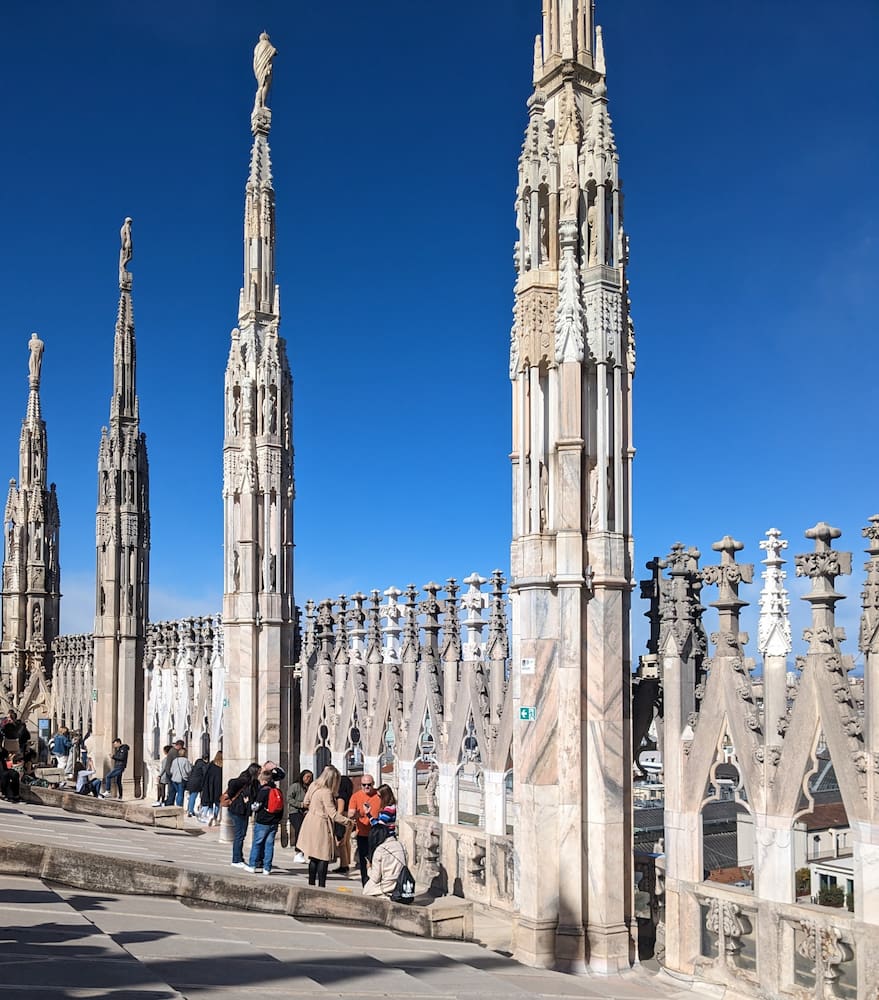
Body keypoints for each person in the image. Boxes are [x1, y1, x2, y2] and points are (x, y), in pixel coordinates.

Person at [298, 765, 354, 888]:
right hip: (321, 824)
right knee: (323, 856)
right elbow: (333, 814)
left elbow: (306, 802)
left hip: (310, 821)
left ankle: (311, 883)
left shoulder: (313, 786)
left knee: (313, 855)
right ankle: (321, 885)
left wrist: (314, 808)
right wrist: (348, 821)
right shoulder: (326, 792)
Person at [245, 767, 284, 875]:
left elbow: (255, 807)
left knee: (257, 843)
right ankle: (267, 868)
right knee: (269, 845)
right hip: (274, 822)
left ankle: (252, 865)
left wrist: (249, 803)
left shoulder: (263, 791)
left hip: (262, 822)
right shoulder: (278, 791)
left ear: (264, 780)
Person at [348, 774, 380, 886]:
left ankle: (376, 882)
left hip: (377, 834)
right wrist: (354, 814)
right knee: (363, 860)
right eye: (364, 785)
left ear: (373, 784)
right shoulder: (356, 796)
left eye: (369, 785)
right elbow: (350, 813)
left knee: (377, 859)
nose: (367, 787)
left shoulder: (379, 795)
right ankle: (365, 883)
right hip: (362, 833)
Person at [226, 763, 260, 868]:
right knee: (239, 835)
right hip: (238, 810)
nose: (260, 774)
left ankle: (239, 858)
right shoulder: (245, 779)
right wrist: (244, 797)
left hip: (243, 811)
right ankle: (236, 859)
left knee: (241, 835)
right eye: (258, 772)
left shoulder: (253, 781)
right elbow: (232, 783)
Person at [363, 824, 408, 899]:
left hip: (387, 885)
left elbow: (375, 878)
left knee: (367, 890)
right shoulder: (401, 845)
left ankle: (387, 897)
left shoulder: (380, 850)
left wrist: (368, 868)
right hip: (401, 882)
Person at [288, 769, 313, 863]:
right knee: (299, 830)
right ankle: (298, 852)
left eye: (310, 777)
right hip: (295, 812)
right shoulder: (295, 786)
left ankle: (305, 852)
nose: (308, 779)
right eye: (307, 777)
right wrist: (300, 804)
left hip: (306, 813)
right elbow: (289, 798)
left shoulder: (309, 787)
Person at [367, 784, 397, 861]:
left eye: (379, 796)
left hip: (386, 838)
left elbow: (379, 826)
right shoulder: (389, 808)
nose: (378, 798)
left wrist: (369, 815)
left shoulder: (389, 809)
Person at [334, 773, 354, 874]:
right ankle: (347, 862)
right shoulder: (350, 795)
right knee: (346, 842)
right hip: (349, 819)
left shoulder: (341, 796)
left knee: (341, 843)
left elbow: (340, 811)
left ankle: (344, 864)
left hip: (343, 819)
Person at [199, 751, 223, 826]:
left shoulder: (211, 764)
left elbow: (206, 775)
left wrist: (203, 785)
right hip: (219, 785)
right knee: (217, 802)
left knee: (210, 801)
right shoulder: (223, 766)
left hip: (210, 785)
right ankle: (215, 817)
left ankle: (211, 814)